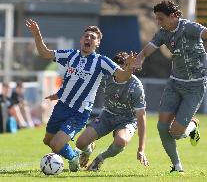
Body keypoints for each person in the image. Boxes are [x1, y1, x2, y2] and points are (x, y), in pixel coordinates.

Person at [25, 19, 136, 172]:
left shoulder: (101, 61)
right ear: (81, 39)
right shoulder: (71, 55)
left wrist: (129, 67)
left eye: (93, 37)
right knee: (48, 141)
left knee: (57, 145)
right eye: (86, 36)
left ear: (97, 43)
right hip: (61, 107)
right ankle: (86, 149)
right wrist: (37, 35)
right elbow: (44, 53)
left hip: (79, 112)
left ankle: (74, 157)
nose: (88, 39)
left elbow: (122, 76)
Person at [135, 0, 207, 174]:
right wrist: (139, 59)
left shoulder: (189, 27)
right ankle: (177, 167)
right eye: (156, 19)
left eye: (161, 18)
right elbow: (147, 50)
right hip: (175, 83)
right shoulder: (163, 33)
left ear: (173, 16)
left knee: (176, 133)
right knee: (162, 127)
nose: (158, 22)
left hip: (195, 86)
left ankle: (193, 125)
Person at [47, 52, 149, 171]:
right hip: (107, 115)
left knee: (121, 141)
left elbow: (141, 117)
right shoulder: (106, 77)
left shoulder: (136, 86)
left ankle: (100, 159)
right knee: (80, 143)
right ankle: (89, 148)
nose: (120, 70)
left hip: (127, 120)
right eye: (117, 68)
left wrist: (141, 149)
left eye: (125, 66)